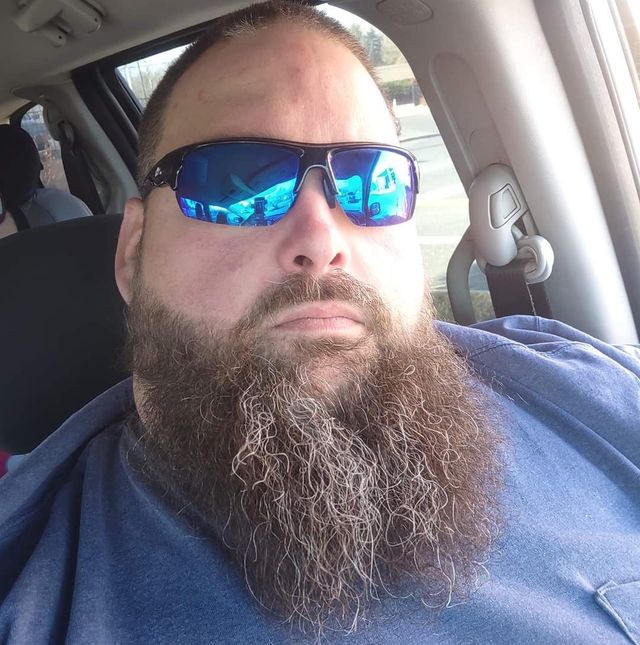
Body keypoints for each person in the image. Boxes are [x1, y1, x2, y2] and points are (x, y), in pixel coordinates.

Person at [1, 2, 639, 643]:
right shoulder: (35, 598)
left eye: (373, 182)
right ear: (134, 252)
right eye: (232, 186)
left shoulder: (578, 378)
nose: (321, 238)